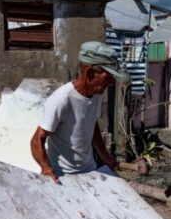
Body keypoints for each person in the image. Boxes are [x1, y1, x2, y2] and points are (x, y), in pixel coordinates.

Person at [30, 41, 129, 184]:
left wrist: (105, 155)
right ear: (89, 73)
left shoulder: (96, 94)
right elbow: (37, 140)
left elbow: (91, 124)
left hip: (90, 170)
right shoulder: (61, 100)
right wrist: (46, 168)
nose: (110, 84)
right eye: (107, 78)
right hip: (63, 175)